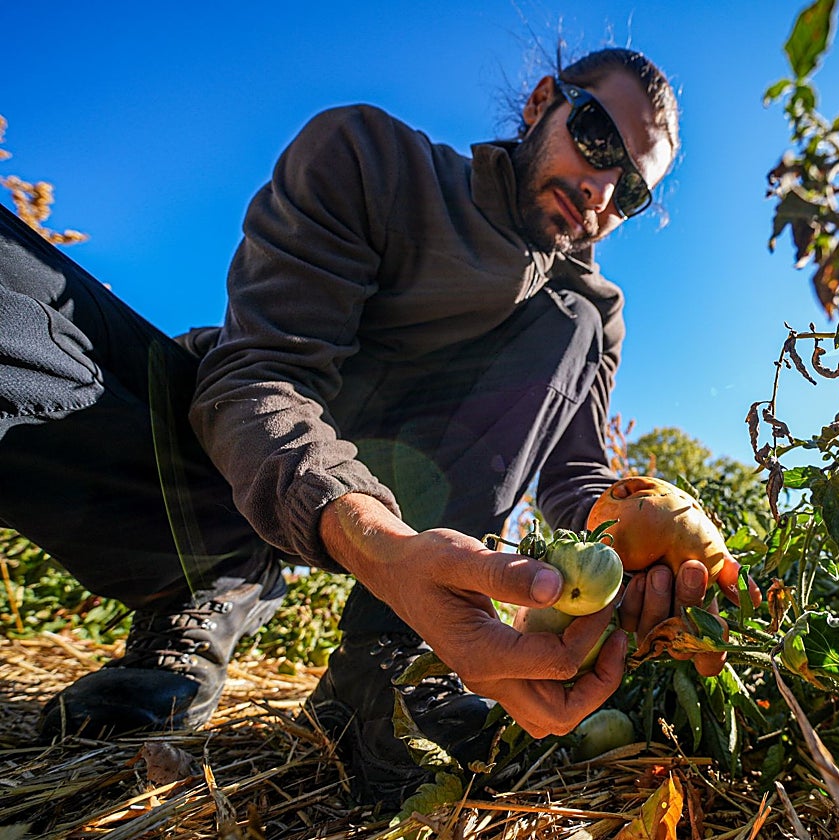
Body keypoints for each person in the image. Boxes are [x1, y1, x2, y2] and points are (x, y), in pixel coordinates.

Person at [0, 47, 736, 806]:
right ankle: (201, 591)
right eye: (597, 137)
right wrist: (378, 542)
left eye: (634, 191)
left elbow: (575, 477)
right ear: (543, 100)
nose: (603, 190)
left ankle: (387, 665)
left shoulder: (591, 310)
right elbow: (259, 377)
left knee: (572, 313)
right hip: (203, 471)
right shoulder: (370, 157)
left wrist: (634, 524)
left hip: (403, 515)